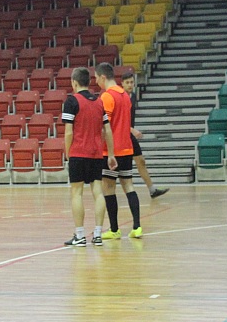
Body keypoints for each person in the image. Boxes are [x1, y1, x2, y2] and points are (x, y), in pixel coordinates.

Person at [62, 67, 118, 246]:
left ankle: (79, 235)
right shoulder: (99, 102)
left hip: (78, 153)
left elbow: (68, 132)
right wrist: (110, 153)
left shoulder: (71, 101)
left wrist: (68, 153)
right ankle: (98, 234)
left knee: (76, 193)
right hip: (95, 154)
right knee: (98, 192)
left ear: (74, 82)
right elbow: (107, 130)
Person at [95, 63, 142, 239]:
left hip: (111, 151)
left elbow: (104, 126)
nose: (96, 81)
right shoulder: (125, 96)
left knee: (108, 188)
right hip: (127, 147)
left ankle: (114, 229)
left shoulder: (107, 97)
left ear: (103, 77)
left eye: (97, 78)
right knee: (128, 185)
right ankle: (137, 226)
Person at [121, 71, 168, 199]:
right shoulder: (120, 98)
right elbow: (119, 120)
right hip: (121, 136)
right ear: (122, 84)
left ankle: (152, 190)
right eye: (127, 83)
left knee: (141, 161)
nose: (130, 85)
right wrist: (132, 130)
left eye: (131, 82)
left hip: (129, 135)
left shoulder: (133, 96)